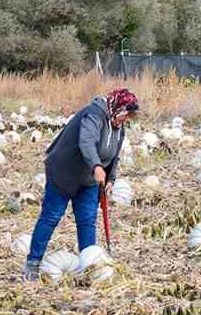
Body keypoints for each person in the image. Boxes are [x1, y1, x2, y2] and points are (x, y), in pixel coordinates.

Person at [23, 87, 141, 280]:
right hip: (64, 172)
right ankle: (33, 264)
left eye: (130, 117)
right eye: (126, 115)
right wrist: (96, 166)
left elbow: (114, 156)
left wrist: (110, 178)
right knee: (51, 217)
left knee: (87, 221)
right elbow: (86, 141)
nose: (126, 119)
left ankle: (89, 267)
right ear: (117, 107)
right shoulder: (94, 115)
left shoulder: (119, 128)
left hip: (88, 180)